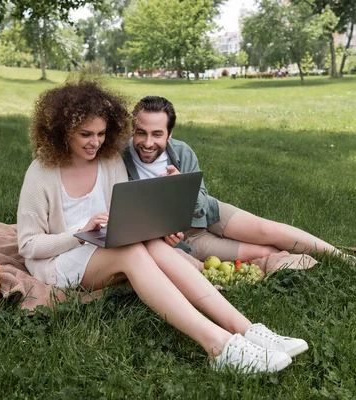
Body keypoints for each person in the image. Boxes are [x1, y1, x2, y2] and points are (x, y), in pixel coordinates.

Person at [16, 80, 308, 374]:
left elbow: (125, 216)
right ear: (62, 131)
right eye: (85, 134)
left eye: (102, 133)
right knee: (130, 252)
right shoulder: (41, 171)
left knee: (151, 244)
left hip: (102, 246)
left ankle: (247, 329)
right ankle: (218, 345)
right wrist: (78, 236)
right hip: (58, 259)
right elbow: (28, 246)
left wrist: (156, 229)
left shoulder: (109, 160)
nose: (95, 142)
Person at [122, 95, 356, 266]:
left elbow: (201, 205)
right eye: (141, 132)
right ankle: (313, 259)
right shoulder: (119, 159)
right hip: (186, 237)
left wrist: (181, 187)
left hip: (207, 213)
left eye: (157, 134)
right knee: (262, 251)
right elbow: (126, 218)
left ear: (169, 134)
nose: (148, 142)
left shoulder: (182, 152)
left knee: (267, 229)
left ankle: (347, 259)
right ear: (133, 129)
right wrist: (164, 235)